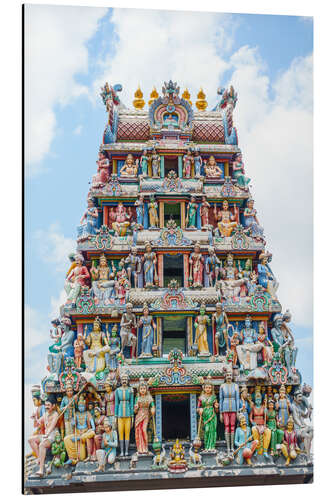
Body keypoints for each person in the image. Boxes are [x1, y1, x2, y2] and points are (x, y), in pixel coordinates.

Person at [28, 395, 59, 476]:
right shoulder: (45, 414)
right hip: (46, 436)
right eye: (46, 405)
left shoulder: (55, 414)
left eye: (48, 405)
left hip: (53, 436)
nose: (46, 407)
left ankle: (41, 469)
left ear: (53, 406)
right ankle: (39, 458)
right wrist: (35, 418)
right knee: (30, 440)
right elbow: (36, 424)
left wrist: (47, 434)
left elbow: (52, 426)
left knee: (42, 444)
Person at [64, 395, 96, 464]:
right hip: (77, 433)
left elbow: (93, 428)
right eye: (79, 406)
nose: (81, 408)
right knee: (66, 439)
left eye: (82, 406)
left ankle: (76, 458)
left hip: (84, 435)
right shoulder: (76, 414)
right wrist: (72, 420)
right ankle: (71, 457)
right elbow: (73, 424)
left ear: (85, 406)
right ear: (78, 407)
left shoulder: (88, 413)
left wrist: (90, 430)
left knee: (82, 457)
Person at [219, 370, 240, 456]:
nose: (229, 376)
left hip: (234, 407)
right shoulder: (222, 386)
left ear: (232, 376)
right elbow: (220, 399)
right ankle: (228, 447)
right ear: (225, 376)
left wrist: (238, 410)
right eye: (227, 375)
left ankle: (232, 447)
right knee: (227, 426)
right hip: (225, 407)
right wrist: (220, 412)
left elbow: (237, 399)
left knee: (233, 427)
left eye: (230, 375)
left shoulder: (236, 386)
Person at [115, 372, 134, 456]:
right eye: (123, 379)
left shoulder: (130, 390)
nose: (124, 381)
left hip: (128, 414)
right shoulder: (117, 390)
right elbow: (116, 403)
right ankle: (121, 451)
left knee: (127, 433)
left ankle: (126, 451)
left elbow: (132, 403)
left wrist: (132, 416)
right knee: (120, 433)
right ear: (120, 380)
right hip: (119, 414)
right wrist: (115, 416)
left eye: (126, 379)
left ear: (128, 380)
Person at [197, 376, 219, 451]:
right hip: (205, 415)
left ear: (211, 388)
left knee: (212, 430)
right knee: (206, 430)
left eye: (209, 388)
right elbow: (198, 408)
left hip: (212, 415)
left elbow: (217, 411)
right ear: (204, 388)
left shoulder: (214, 397)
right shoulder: (201, 397)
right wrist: (200, 409)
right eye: (206, 388)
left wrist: (216, 407)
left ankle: (212, 447)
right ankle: (207, 446)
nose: (208, 389)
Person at [134, 378, 155, 454]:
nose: (142, 390)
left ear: (146, 389)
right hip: (139, 414)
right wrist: (135, 408)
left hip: (146, 414)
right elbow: (135, 410)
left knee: (143, 430)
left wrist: (153, 409)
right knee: (138, 430)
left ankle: (145, 447)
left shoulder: (149, 397)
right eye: (141, 389)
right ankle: (140, 448)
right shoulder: (137, 398)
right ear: (139, 390)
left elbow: (152, 405)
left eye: (144, 389)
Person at [250, 388, 271, 458]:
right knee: (254, 430)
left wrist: (266, 412)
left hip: (263, 424)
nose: (258, 401)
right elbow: (250, 417)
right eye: (256, 400)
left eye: (259, 400)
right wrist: (253, 423)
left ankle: (265, 450)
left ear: (261, 400)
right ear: (255, 400)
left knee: (268, 432)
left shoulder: (263, 407)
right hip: (256, 424)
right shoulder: (253, 407)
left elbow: (267, 418)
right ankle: (256, 449)